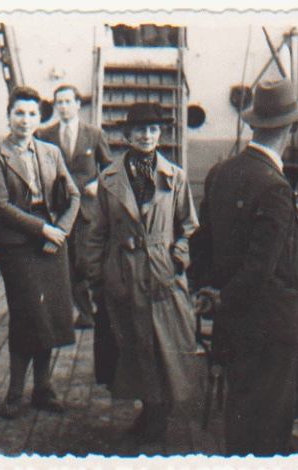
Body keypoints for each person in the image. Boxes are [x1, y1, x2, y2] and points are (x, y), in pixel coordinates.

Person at [192, 78, 298, 456]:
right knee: (270, 426)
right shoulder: (276, 186)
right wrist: (224, 297)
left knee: (240, 416)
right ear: (291, 128)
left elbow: (203, 242)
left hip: (234, 323)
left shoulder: (220, 172)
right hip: (271, 325)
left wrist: (212, 293)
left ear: (254, 123)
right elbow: (261, 268)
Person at [84, 102, 199, 444]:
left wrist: (177, 260)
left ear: (160, 134)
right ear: (127, 134)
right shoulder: (109, 179)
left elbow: (189, 226)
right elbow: (97, 232)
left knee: (165, 343)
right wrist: (96, 275)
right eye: (139, 129)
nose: (146, 135)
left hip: (162, 272)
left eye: (152, 129)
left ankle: (157, 413)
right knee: (135, 345)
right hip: (123, 273)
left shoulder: (175, 177)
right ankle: (149, 410)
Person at [0, 86, 81, 420]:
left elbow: (74, 196)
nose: (25, 121)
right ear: (8, 116)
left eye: (32, 114)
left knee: (49, 315)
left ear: (40, 118)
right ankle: (14, 392)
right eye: (19, 113)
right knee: (27, 316)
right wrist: (42, 229)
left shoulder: (51, 151)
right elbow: (0, 206)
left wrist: (60, 232)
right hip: (19, 243)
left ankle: (43, 388)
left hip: (52, 242)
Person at [36, 85, 112, 329]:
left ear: (78, 104)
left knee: (86, 261)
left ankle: (98, 309)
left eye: (68, 101)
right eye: (59, 102)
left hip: (88, 209)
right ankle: (83, 313)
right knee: (64, 261)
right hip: (59, 208)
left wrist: (97, 183)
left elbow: (110, 169)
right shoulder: (45, 134)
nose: (63, 107)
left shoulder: (94, 134)